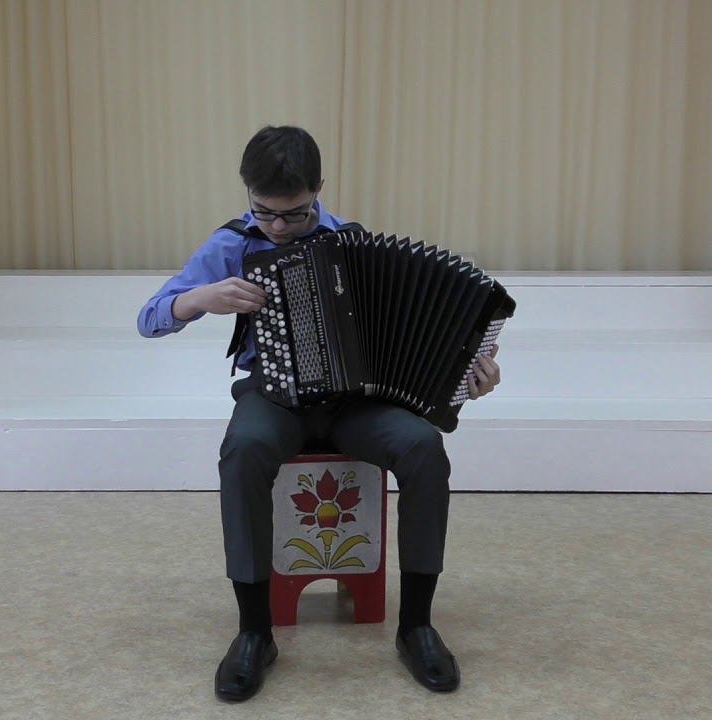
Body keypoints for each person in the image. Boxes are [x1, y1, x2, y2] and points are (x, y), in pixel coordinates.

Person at [136, 125, 502, 702]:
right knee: (244, 449)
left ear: (319, 189)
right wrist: (198, 299)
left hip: (355, 404)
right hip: (273, 397)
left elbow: (414, 340)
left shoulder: (350, 241)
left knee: (424, 448)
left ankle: (417, 625)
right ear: (247, 191)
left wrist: (469, 379)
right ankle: (254, 632)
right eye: (264, 212)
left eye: (295, 214)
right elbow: (149, 318)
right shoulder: (232, 244)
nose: (278, 227)